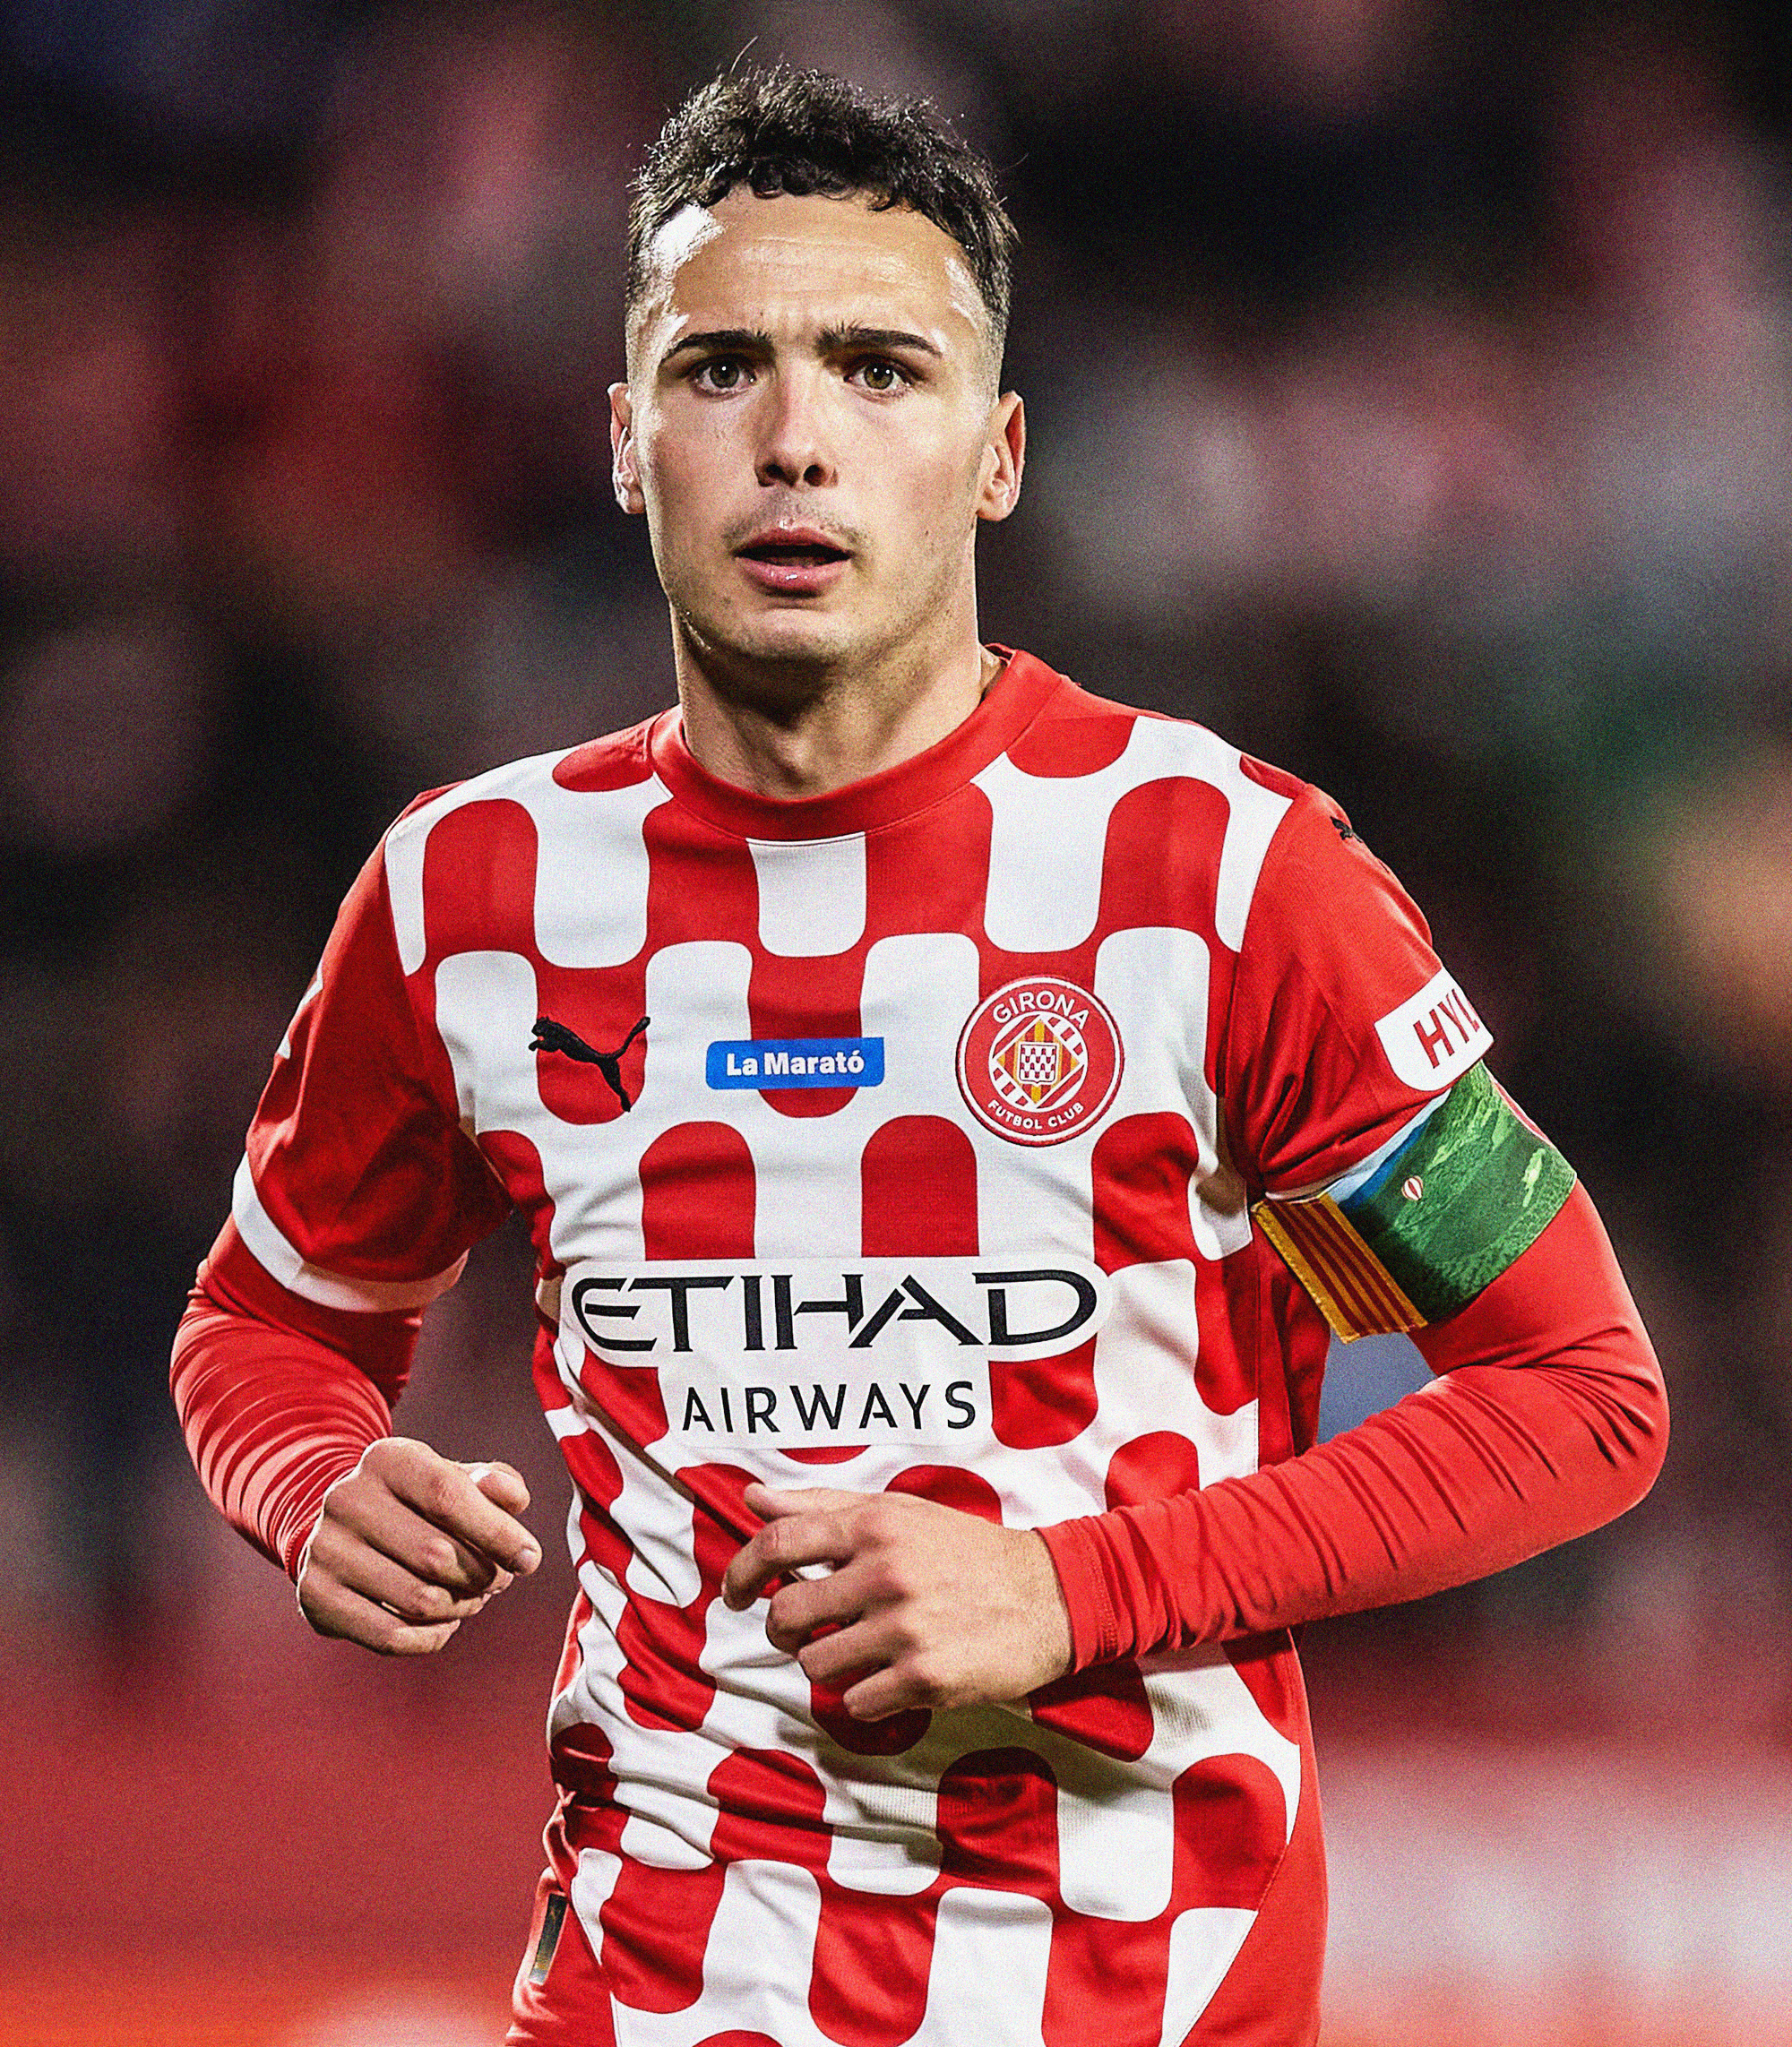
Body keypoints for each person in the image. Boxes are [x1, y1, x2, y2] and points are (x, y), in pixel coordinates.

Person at [171, 67, 1667, 2047]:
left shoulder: (1223, 874)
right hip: (649, 1983)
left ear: (999, 454)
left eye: (880, 369)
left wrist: (1076, 1588)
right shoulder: (475, 888)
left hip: (1140, 1987)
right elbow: (266, 1325)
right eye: (721, 371)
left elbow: (1575, 1392)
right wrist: (312, 1473)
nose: (796, 442)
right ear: (625, 443)